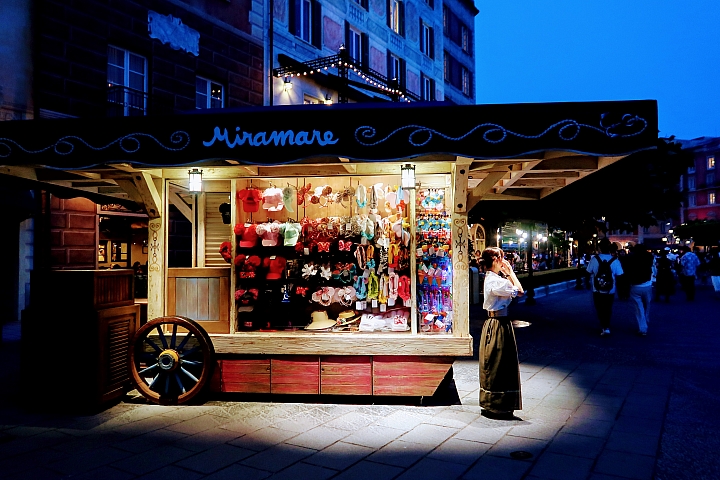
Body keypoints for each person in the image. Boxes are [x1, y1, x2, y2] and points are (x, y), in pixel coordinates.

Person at [479, 247, 524, 420]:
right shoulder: (497, 281)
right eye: (503, 257)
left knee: (496, 364)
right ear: (497, 260)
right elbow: (520, 291)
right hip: (499, 323)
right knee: (499, 364)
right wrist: (511, 272)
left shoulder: (493, 279)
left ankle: (493, 403)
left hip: (495, 323)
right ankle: (498, 404)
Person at [586, 238, 624, 336]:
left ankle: (603, 325)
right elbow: (620, 275)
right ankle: (606, 326)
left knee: (599, 307)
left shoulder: (594, 259)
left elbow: (588, 272)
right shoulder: (615, 260)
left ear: (600, 248)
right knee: (608, 308)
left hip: (597, 288)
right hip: (610, 289)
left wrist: (587, 283)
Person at [624, 244, 654, 335]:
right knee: (647, 304)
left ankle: (643, 328)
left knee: (638, 307)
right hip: (647, 284)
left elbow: (626, 271)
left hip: (635, 285)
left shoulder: (630, 258)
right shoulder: (649, 257)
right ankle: (646, 317)